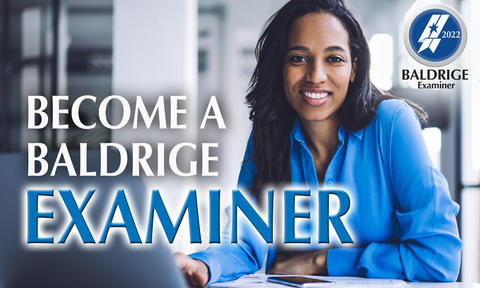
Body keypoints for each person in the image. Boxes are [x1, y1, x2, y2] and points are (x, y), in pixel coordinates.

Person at [174, 0, 462, 285]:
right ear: (280, 67)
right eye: (298, 58)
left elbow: (439, 258)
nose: (316, 76)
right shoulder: (270, 132)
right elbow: (245, 244)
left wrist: (322, 261)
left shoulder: (392, 123)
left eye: (334, 58)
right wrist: (202, 264)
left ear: (354, 67)